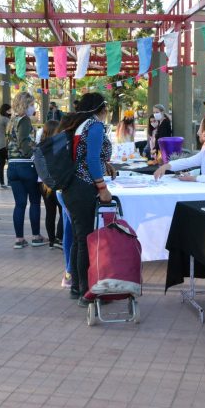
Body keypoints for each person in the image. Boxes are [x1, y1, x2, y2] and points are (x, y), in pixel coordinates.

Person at [59, 92, 115, 306]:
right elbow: (91, 159)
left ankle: (76, 287)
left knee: (78, 237)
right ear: (101, 108)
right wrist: (102, 187)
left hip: (72, 186)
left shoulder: (78, 124)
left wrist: (104, 164)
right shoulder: (95, 126)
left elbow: (83, 155)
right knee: (85, 240)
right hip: (84, 187)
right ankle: (87, 292)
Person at [7, 91, 46, 249]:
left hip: (12, 166)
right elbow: (24, 143)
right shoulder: (24, 121)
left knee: (20, 204)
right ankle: (36, 236)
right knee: (35, 202)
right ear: (25, 105)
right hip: (25, 165)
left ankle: (19, 239)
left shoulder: (12, 121)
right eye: (31, 105)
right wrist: (33, 157)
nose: (33, 107)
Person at [38, 120, 64, 249]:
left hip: (43, 183)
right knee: (63, 210)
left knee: (50, 212)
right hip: (57, 182)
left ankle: (52, 240)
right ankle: (59, 237)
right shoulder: (58, 145)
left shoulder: (40, 146)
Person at [0, 104, 11, 189]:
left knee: (0, 165)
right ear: (6, 110)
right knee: (11, 163)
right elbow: (11, 129)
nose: (10, 112)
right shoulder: (5, 119)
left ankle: (2, 183)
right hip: (4, 145)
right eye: (9, 110)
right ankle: (10, 182)